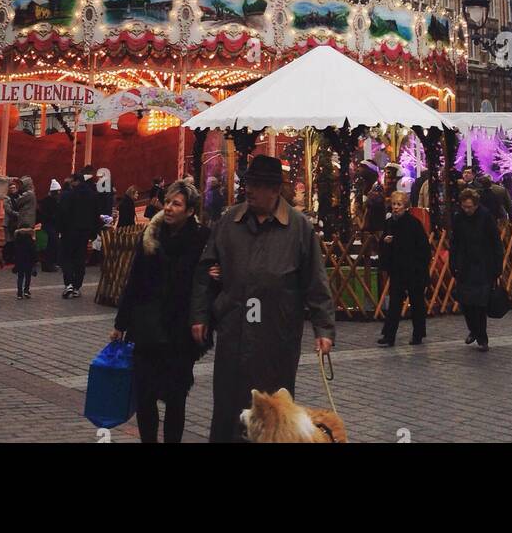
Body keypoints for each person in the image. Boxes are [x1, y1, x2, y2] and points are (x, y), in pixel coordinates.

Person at [190, 154, 335, 444]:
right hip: (233, 332)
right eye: (248, 183)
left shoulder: (298, 227)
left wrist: (324, 329)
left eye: (256, 185)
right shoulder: (229, 221)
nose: (249, 190)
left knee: (273, 415)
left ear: (274, 190)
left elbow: (315, 281)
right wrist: (200, 315)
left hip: (277, 337)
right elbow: (206, 270)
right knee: (227, 409)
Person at [112, 179, 210, 443]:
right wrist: (121, 323)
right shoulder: (150, 235)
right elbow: (134, 280)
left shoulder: (202, 239)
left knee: (175, 398)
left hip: (179, 330)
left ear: (190, 211)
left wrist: (216, 275)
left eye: (176, 204)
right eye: (167, 202)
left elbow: (207, 281)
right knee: (145, 396)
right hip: (146, 327)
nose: (168, 208)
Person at [449, 187, 503, 352]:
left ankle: (482, 337)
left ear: (476, 205)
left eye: (470, 207)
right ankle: (473, 329)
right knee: (466, 303)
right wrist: (453, 263)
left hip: (483, 265)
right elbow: (455, 243)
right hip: (465, 265)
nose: (467, 210)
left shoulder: (486, 217)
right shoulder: (458, 218)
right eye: (464, 207)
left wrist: (497, 266)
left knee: (479, 304)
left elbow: (496, 242)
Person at [377, 192, 430, 346]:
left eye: (399, 205)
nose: (395, 208)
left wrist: (420, 266)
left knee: (417, 302)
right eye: (394, 204)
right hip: (397, 270)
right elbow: (383, 244)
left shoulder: (413, 223)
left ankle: (418, 334)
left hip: (414, 270)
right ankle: (389, 335)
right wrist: (385, 242)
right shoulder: (389, 223)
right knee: (394, 303)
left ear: (405, 206)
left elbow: (423, 247)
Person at [58, 172, 100, 298]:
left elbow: (63, 213)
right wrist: (93, 232)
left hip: (69, 231)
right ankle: (77, 286)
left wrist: (61, 229)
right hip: (85, 231)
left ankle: (69, 283)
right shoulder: (92, 195)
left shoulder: (68, 195)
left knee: (67, 258)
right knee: (80, 258)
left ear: (75, 181)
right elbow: (95, 214)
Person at [7, 175, 37, 300]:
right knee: (27, 271)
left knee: (22, 270)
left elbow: (17, 203)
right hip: (26, 229)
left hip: (24, 226)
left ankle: (21, 291)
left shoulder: (28, 194)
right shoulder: (31, 195)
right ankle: (25, 291)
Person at [37, 179, 61, 271]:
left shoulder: (46, 201)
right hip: (50, 225)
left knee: (48, 246)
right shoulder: (53, 201)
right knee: (51, 245)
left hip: (47, 225)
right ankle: (49, 264)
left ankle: (47, 264)